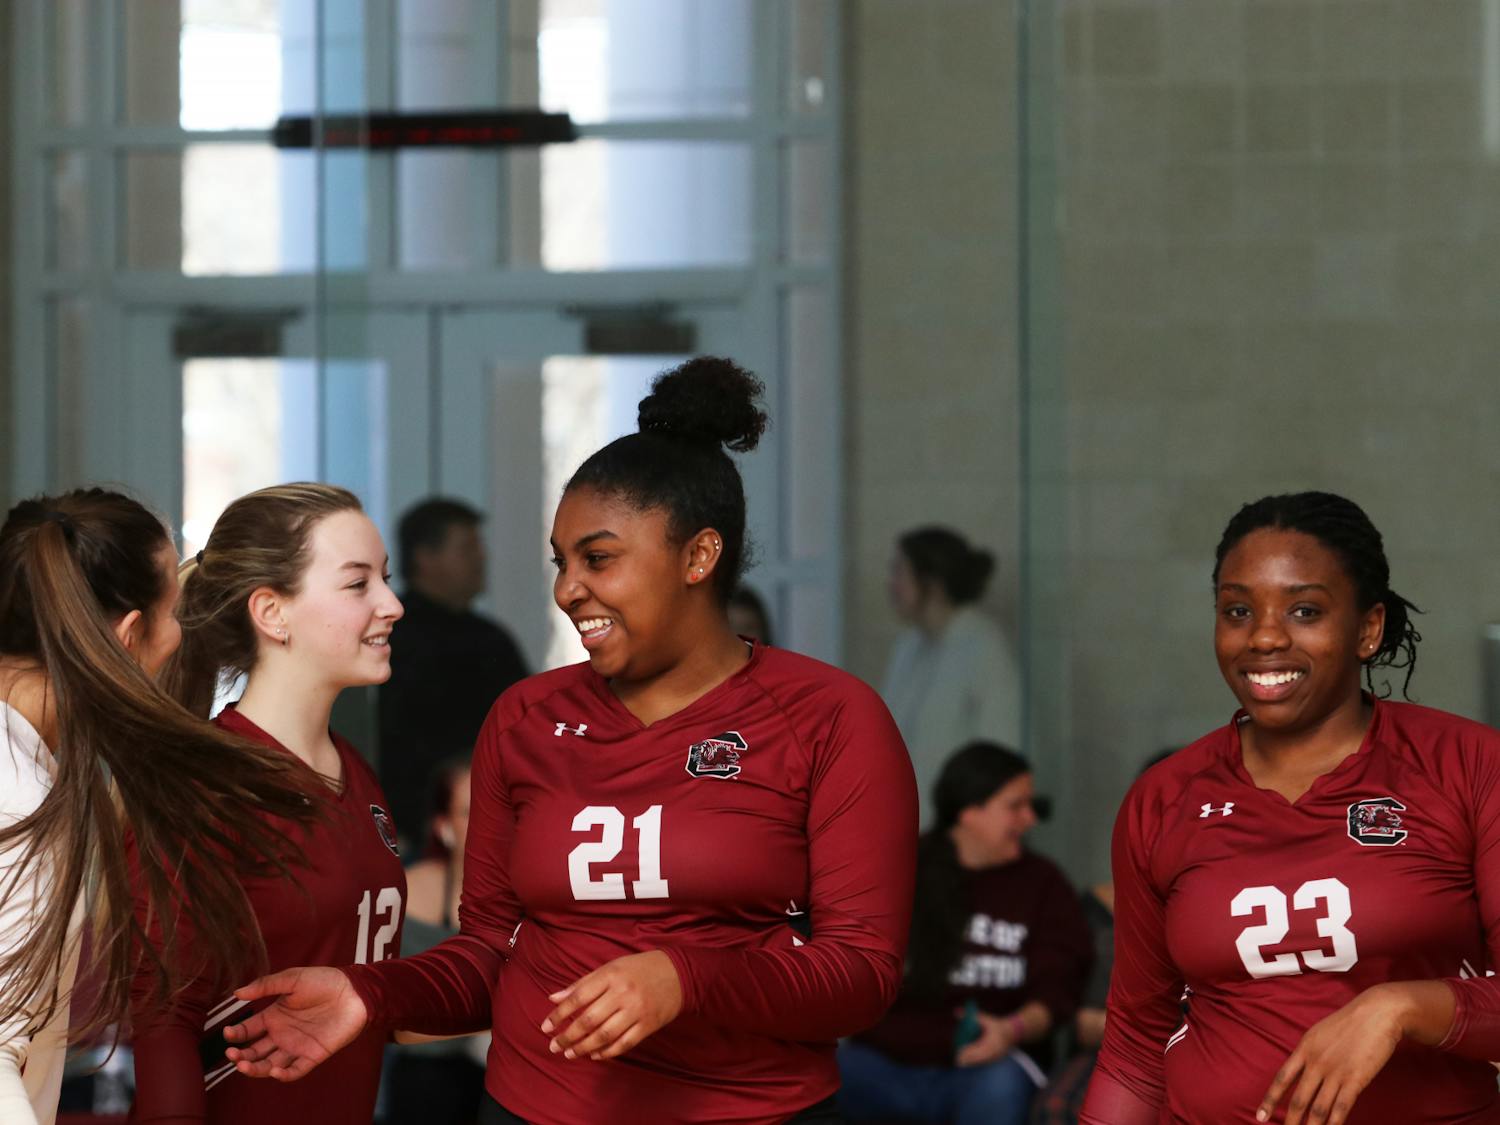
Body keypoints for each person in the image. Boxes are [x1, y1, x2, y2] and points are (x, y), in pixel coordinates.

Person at [219, 357, 919, 1124]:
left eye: (599, 558)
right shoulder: (523, 719)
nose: (566, 588)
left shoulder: (830, 716)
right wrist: (370, 993)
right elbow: (487, 952)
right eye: (561, 562)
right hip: (535, 1106)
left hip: (756, 1109)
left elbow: (859, 975)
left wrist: (684, 979)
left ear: (698, 556)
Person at [1083, 491, 1500, 1125]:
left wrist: (1401, 1007)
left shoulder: (1467, 765)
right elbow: (1136, 1045)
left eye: (1305, 610)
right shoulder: (1164, 799)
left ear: (1368, 628)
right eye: (1238, 611)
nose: (1266, 637)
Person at [0, 489, 317, 1125]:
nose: (185, 631)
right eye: (176, 608)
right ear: (126, 636)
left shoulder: (34, 772)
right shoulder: (21, 804)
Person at [129, 482, 408, 1125]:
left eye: (384, 580)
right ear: (272, 613)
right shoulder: (205, 783)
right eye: (357, 583)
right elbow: (162, 1015)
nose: (391, 604)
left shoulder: (356, 774)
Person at [839, 742, 1092, 1125]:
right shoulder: (902, 870)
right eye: (1015, 806)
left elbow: (1059, 988)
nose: (1029, 819)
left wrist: (1012, 1029)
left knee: (998, 1090)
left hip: (993, 1062)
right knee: (824, 1078)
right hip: (886, 1061)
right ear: (970, 812)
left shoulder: (1042, 882)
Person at [379, 498, 529, 847]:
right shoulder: (390, 636)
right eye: (467, 547)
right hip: (410, 831)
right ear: (424, 558)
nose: (482, 558)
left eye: (479, 546)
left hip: (491, 822)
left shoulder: (492, 638)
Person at [882, 527, 1022, 823]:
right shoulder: (907, 647)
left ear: (932, 583)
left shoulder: (983, 647)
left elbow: (999, 751)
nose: (891, 584)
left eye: (899, 572)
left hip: (958, 832)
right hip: (905, 825)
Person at [385, 757, 488, 1125]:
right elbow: (401, 1027)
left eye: (499, 804)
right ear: (444, 827)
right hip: (431, 1081)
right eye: (469, 811)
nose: (490, 821)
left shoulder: (539, 892)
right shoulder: (410, 893)